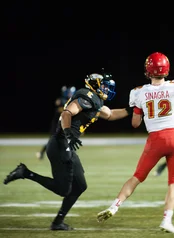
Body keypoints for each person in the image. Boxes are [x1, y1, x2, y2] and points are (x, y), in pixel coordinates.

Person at [3, 69, 132, 231]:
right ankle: (25, 172)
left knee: (80, 186)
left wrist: (132, 109)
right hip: (60, 144)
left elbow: (111, 114)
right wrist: (69, 133)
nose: (107, 90)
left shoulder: (96, 101)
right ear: (95, 85)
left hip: (66, 145)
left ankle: (58, 222)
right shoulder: (87, 95)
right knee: (63, 189)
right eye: (104, 87)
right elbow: (66, 113)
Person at [96, 52, 174, 234]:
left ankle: (114, 207)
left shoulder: (138, 91)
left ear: (147, 71)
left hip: (155, 139)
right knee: (173, 182)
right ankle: (167, 220)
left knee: (137, 177)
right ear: (166, 69)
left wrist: (141, 111)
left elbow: (135, 123)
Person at [36, 85, 76, 160]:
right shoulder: (62, 101)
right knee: (53, 141)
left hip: (63, 125)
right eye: (69, 93)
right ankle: (42, 152)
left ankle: (67, 156)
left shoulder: (69, 101)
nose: (70, 94)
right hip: (56, 125)